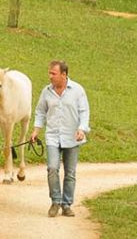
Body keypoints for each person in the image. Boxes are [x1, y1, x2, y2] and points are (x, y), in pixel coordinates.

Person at [30, 60, 90, 218]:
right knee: (52, 168)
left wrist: (82, 129)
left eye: (53, 73)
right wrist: (36, 130)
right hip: (53, 136)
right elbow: (40, 112)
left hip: (72, 137)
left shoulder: (77, 90)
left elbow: (84, 111)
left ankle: (67, 204)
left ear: (64, 75)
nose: (50, 76)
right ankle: (55, 201)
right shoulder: (46, 91)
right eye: (49, 73)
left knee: (70, 173)